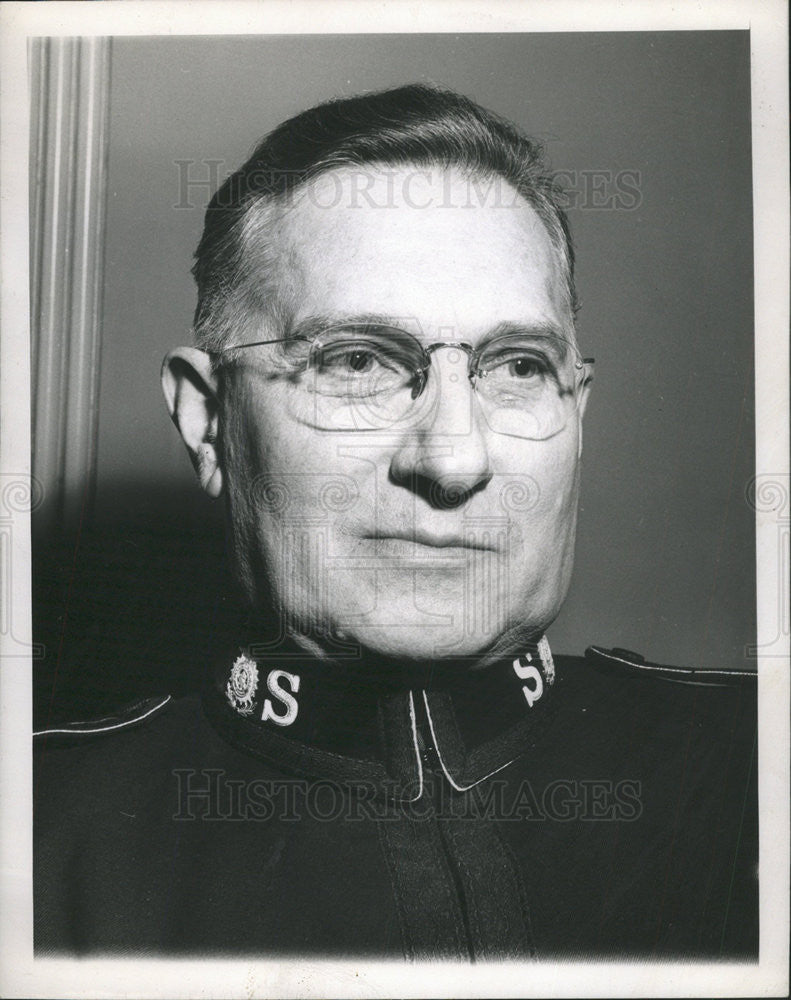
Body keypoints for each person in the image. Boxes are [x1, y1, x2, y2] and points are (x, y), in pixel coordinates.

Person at [34, 84, 757, 959]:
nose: (453, 460)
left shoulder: (757, 769)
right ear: (209, 420)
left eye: (517, 366)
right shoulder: (39, 836)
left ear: (579, 411)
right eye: (357, 361)